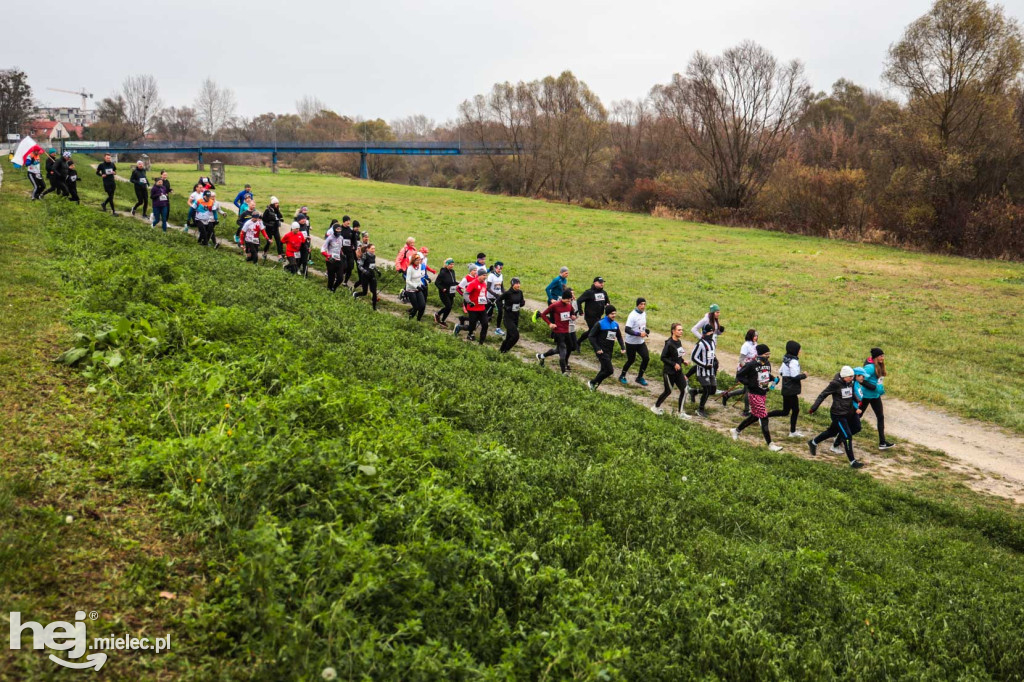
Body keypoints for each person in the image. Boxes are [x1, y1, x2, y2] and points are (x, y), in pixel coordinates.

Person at [807, 366, 866, 469]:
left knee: (850, 428)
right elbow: (823, 395)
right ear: (844, 376)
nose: (852, 378)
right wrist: (814, 408)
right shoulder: (835, 384)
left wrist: (857, 401)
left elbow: (851, 394)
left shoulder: (850, 382)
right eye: (850, 377)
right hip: (838, 415)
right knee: (847, 436)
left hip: (850, 412)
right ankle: (853, 462)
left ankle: (813, 442)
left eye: (853, 376)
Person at [730, 344, 783, 451]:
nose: (768, 356)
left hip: (763, 393)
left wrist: (773, 379)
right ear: (760, 354)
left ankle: (736, 431)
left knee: (754, 416)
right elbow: (739, 375)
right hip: (754, 394)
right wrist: (749, 383)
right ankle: (770, 444)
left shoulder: (767, 363)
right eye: (766, 354)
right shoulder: (751, 364)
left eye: (769, 354)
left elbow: (767, 374)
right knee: (764, 416)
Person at [765, 340, 807, 438]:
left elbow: (780, 372)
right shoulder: (793, 361)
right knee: (795, 410)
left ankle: (765, 416)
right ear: (795, 350)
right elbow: (795, 376)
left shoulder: (786, 359)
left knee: (785, 411)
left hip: (786, 389)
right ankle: (792, 432)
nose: (800, 351)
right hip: (791, 390)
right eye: (799, 349)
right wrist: (804, 375)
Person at [652, 323, 691, 419]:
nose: (681, 331)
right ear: (673, 331)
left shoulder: (679, 342)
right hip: (669, 372)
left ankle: (680, 413)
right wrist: (674, 364)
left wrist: (683, 361)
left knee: (685, 390)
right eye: (679, 330)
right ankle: (655, 407)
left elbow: (678, 355)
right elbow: (663, 357)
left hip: (678, 372)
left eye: (682, 330)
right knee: (668, 391)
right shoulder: (669, 343)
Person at [687, 304, 726, 398]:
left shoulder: (715, 320)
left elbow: (714, 332)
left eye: (719, 312)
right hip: (705, 346)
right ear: (712, 312)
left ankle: (689, 379)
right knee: (713, 363)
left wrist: (720, 331)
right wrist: (702, 338)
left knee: (708, 363)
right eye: (717, 312)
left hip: (711, 346)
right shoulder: (705, 320)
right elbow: (693, 329)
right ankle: (711, 384)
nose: (718, 314)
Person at [861, 348, 895, 449]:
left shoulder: (879, 365)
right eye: (881, 356)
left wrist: (878, 389)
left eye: (883, 356)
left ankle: (882, 443)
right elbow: (861, 380)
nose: (883, 358)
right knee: (857, 417)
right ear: (876, 357)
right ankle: (840, 438)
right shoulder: (869, 368)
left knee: (880, 417)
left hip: (875, 396)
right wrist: (874, 387)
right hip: (866, 396)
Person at [537, 290, 577, 375]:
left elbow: (572, 314)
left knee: (566, 348)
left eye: (570, 300)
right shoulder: (555, 305)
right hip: (558, 332)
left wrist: (573, 317)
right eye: (568, 300)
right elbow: (543, 315)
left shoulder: (569, 306)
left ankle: (541, 356)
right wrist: (550, 324)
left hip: (566, 331)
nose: (569, 302)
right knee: (562, 352)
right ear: (563, 298)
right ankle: (563, 372)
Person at [587, 305, 626, 390]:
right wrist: (597, 348)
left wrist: (623, 347)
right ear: (607, 314)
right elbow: (591, 336)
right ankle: (592, 382)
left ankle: (594, 388)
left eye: (615, 313)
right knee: (609, 370)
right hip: (601, 351)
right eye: (612, 314)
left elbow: (619, 336)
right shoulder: (600, 323)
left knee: (604, 370)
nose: (614, 315)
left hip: (609, 350)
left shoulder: (615, 324)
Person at [722, 329, 758, 416]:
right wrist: (746, 369)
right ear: (751, 336)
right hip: (745, 369)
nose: (756, 338)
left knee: (745, 390)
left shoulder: (755, 344)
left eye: (757, 336)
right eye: (754, 336)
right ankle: (746, 410)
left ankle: (727, 395)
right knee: (748, 391)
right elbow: (741, 359)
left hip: (752, 369)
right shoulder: (745, 345)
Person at [690, 323, 719, 418]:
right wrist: (704, 365)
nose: (711, 333)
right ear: (705, 332)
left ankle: (694, 391)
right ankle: (700, 409)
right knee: (706, 389)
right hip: (702, 371)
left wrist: (715, 361)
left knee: (712, 390)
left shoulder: (712, 342)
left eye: (712, 332)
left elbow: (712, 354)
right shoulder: (700, 344)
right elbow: (693, 357)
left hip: (711, 371)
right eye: (710, 332)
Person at [620, 298, 650, 386]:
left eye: (644, 304)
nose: (643, 306)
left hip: (640, 342)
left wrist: (646, 331)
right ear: (637, 305)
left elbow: (641, 326)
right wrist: (638, 334)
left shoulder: (644, 313)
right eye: (641, 304)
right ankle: (622, 376)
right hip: (631, 342)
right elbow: (627, 329)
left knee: (646, 358)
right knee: (631, 360)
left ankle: (639, 377)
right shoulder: (632, 315)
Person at [576, 277, 611, 345]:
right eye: (600, 283)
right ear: (595, 283)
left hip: (599, 316)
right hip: (590, 316)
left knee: (592, 331)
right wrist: (580, 311)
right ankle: (598, 347)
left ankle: (578, 342)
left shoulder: (604, 293)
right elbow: (579, 300)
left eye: (603, 282)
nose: (602, 284)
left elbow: (607, 302)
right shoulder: (589, 292)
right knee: (595, 330)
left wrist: (607, 305)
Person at [497, 277, 525, 353]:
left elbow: (521, 301)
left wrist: (522, 303)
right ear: (512, 284)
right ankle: (505, 350)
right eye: (516, 283)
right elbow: (498, 300)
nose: (518, 285)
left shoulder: (520, 292)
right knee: (515, 336)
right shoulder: (507, 293)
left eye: (519, 283)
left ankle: (501, 351)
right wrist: (504, 307)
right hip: (508, 318)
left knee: (509, 336)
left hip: (516, 317)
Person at [462, 267, 490, 343]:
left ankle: (481, 343)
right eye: (484, 275)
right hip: (473, 309)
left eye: (486, 275)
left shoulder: (484, 284)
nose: (485, 277)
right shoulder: (473, 283)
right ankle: (460, 327)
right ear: (479, 275)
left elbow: (483, 295)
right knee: (472, 326)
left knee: (485, 324)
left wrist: (488, 301)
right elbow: (465, 294)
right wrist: (469, 302)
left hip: (482, 308)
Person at [322, 222, 346, 292]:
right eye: (337, 229)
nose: (339, 231)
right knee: (331, 278)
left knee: (340, 278)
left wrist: (342, 255)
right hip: (330, 261)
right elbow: (322, 249)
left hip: (339, 260)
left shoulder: (341, 238)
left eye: (340, 230)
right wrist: (328, 256)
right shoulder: (329, 238)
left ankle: (334, 288)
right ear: (334, 230)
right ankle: (329, 290)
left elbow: (340, 248)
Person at [434, 259, 458, 327]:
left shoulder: (453, 271)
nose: (452, 266)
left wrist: (460, 284)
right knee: (448, 306)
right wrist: (442, 288)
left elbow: (453, 281)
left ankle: (439, 316)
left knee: (449, 307)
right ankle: (441, 320)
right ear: (446, 264)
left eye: (453, 264)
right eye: (450, 264)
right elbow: (437, 282)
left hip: (451, 292)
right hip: (444, 293)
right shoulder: (443, 272)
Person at [353, 244, 379, 309]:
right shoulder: (364, 256)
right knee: (364, 292)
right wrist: (365, 271)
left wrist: (377, 271)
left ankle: (374, 307)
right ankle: (356, 294)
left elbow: (373, 265)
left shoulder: (374, 256)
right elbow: (359, 266)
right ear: (368, 249)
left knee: (374, 291)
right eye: (372, 249)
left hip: (372, 275)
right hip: (365, 276)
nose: (373, 250)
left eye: (374, 249)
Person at [405, 253, 428, 320]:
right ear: (413, 261)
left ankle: (418, 320)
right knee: (416, 307)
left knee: (422, 305)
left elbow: (418, 278)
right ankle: (410, 320)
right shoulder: (410, 268)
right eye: (417, 260)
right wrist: (416, 286)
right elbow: (408, 281)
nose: (419, 261)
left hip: (418, 289)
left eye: (419, 260)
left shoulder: (420, 266)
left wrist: (422, 285)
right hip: (411, 290)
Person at [486, 261, 505, 335]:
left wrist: (505, 294)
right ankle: (484, 324)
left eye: (501, 268)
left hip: (498, 297)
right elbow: (488, 288)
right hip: (491, 297)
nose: (499, 270)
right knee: (488, 314)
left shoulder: (501, 275)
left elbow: (501, 287)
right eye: (498, 268)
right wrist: (495, 295)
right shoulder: (491, 275)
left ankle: (498, 328)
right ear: (495, 267)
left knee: (500, 312)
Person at [341, 218, 360, 286]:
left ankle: (345, 282)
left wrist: (355, 248)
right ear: (344, 222)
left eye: (349, 222)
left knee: (351, 266)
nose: (348, 223)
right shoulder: (340, 229)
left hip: (350, 252)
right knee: (344, 266)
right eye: (347, 222)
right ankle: (340, 276)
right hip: (342, 251)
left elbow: (354, 240)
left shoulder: (351, 230)